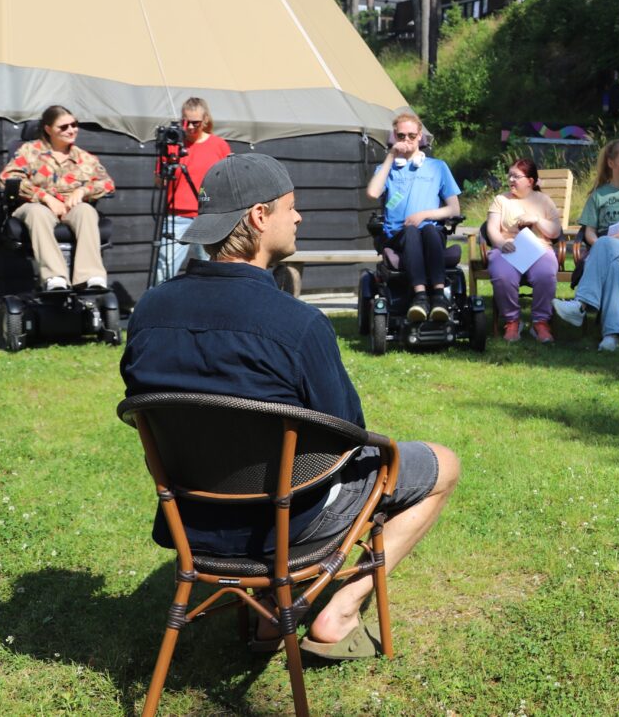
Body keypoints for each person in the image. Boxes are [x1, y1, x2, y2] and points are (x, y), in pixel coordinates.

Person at [120, 153, 459, 659]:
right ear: (259, 217)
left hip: (190, 520)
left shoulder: (148, 312)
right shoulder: (297, 324)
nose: (298, 218)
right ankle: (339, 608)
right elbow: (347, 436)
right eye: (291, 207)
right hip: (285, 526)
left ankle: (272, 612)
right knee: (443, 464)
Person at [552, 139, 619, 352]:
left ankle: (580, 304)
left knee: (608, 247)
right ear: (610, 163)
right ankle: (611, 337)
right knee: (611, 267)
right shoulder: (599, 194)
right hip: (606, 253)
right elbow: (589, 232)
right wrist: (603, 244)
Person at [0, 105, 115, 291]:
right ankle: (54, 277)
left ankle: (90, 276)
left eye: (74, 125)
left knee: (86, 211)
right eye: (64, 127)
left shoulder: (84, 157)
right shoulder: (29, 151)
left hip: (71, 207)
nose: (71, 130)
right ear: (48, 129)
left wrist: (83, 191)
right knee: (38, 213)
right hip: (35, 204)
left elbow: (107, 183)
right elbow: (9, 179)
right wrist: (44, 197)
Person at [365, 112, 461, 322]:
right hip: (399, 236)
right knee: (411, 230)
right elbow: (372, 193)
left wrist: (425, 214)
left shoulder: (437, 167)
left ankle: (437, 296)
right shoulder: (387, 169)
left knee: (427, 228)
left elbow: (454, 209)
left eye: (411, 135)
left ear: (420, 136)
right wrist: (391, 156)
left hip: (431, 233)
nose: (406, 140)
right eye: (401, 136)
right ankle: (420, 297)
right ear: (395, 138)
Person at [153, 97, 232, 284]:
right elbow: (159, 182)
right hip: (176, 216)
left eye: (194, 122)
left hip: (207, 215)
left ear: (205, 120)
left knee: (211, 269)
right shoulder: (173, 144)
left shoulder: (219, 145)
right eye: (185, 121)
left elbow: (228, 179)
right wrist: (168, 160)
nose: (189, 127)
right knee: (164, 270)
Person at [484, 158, 562, 343]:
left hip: (539, 248)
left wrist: (536, 219)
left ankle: (540, 322)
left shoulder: (543, 200)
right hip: (508, 248)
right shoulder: (501, 200)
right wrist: (501, 243)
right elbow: (492, 229)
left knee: (545, 274)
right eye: (509, 175)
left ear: (530, 181)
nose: (511, 180)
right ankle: (512, 321)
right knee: (502, 275)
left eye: (516, 176)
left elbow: (555, 232)